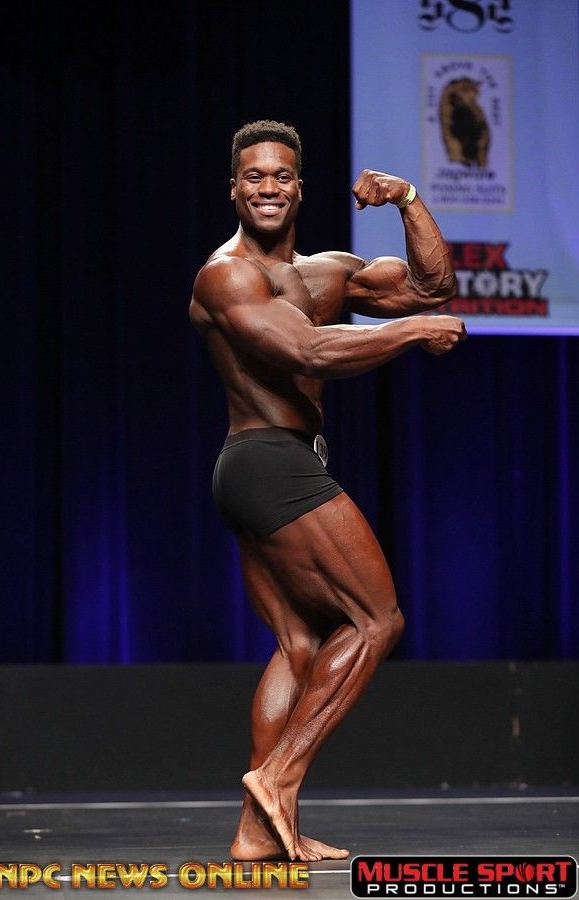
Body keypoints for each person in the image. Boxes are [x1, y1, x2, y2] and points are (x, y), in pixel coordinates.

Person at [189, 120, 465, 863]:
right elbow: (308, 350)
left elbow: (432, 285)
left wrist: (407, 199)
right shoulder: (226, 276)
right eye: (253, 176)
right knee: (376, 620)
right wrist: (415, 334)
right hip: (266, 463)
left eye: (281, 176)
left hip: (269, 467)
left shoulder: (328, 272)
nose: (268, 188)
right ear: (234, 190)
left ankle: (256, 834)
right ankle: (277, 778)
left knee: (301, 644)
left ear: (300, 188)